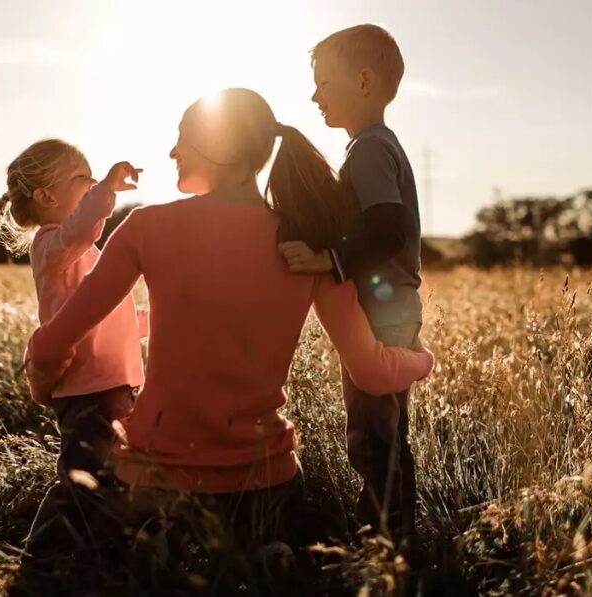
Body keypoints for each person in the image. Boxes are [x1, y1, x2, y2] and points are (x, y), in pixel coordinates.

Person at [25, 88, 433, 549]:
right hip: (265, 494)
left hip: (150, 493)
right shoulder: (308, 249)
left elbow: (52, 343)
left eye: (182, 139)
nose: (173, 152)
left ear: (219, 147)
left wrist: (42, 383)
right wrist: (422, 360)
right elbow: (374, 372)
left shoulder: (145, 228)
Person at [0, 140, 146, 537]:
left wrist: (158, 319)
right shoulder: (52, 246)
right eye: (82, 178)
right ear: (47, 196)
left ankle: (100, 552)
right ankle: (45, 556)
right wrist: (107, 189)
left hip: (110, 385)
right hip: (88, 391)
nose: (91, 183)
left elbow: (110, 315)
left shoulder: (78, 251)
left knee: (113, 479)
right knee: (81, 484)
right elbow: (81, 229)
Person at [278, 24, 425, 539]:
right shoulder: (378, 146)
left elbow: (389, 230)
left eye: (322, 83)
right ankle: (395, 532)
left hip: (382, 311)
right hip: (394, 307)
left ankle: (384, 541)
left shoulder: (367, 151)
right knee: (386, 432)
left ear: (363, 81)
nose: (314, 95)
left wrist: (327, 260)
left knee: (372, 434)